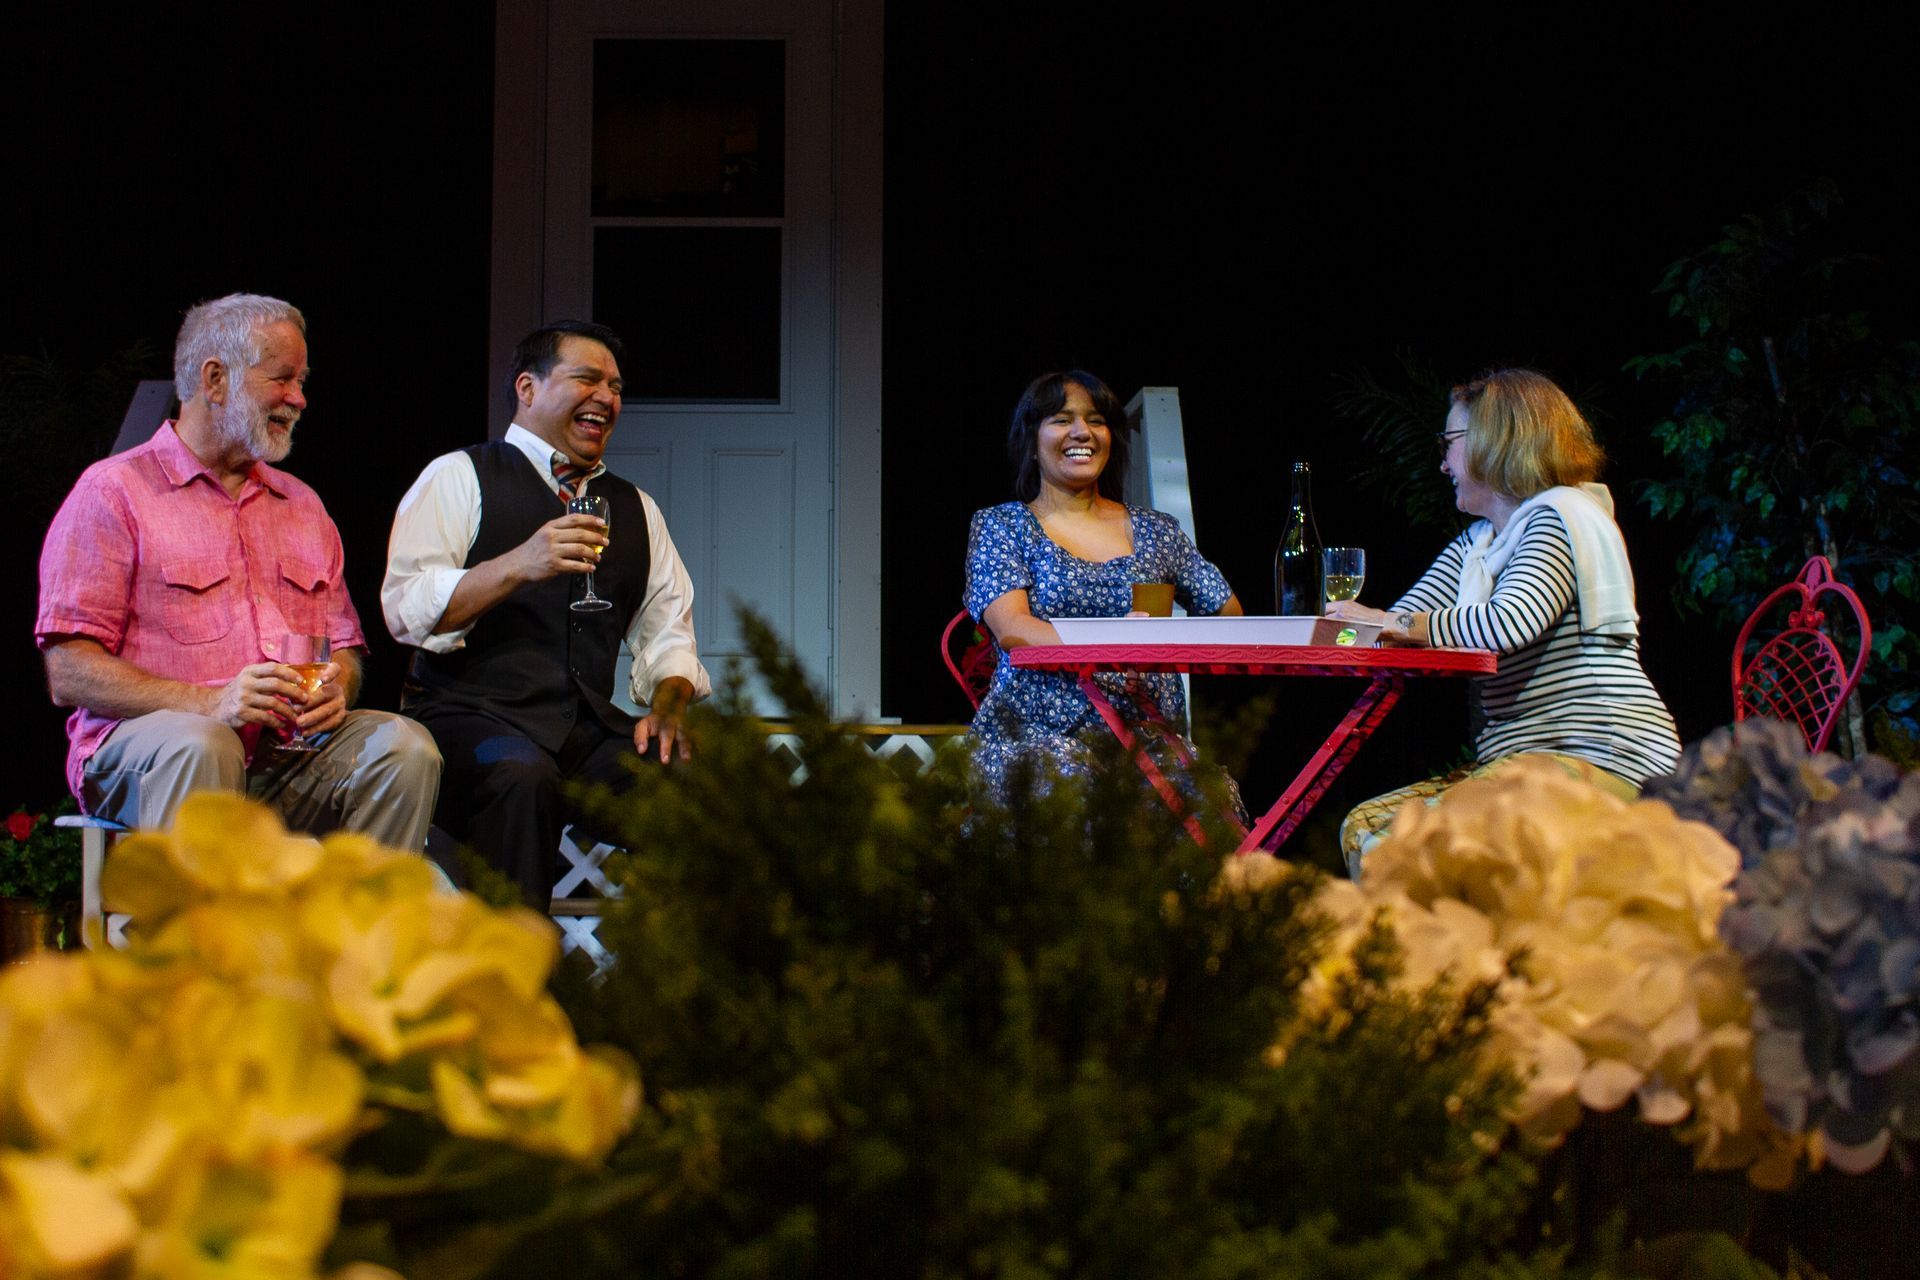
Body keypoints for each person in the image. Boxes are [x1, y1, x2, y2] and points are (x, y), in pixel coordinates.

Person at [35, 292, 442, 848]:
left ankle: (357, 930)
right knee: (207, 743)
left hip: (284, 757)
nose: (298, 399)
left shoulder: (302, 506)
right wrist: (210, 702)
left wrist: (336, 688)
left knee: (404, 747)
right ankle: (208, 935)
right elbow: (70, 672)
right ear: (215, 378)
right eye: (282, 379)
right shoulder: (113, 492)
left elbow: (343, 648)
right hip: (148, 754)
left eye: (302, 382)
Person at [382, 320, 711, 906]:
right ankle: (514, 982)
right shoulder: (459, 476)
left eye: (615, 387)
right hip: (470, 720)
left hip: (578, 731)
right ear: (527, 389)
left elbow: (668, 624)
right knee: (520, 778)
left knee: (682, 786)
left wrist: (667, 705)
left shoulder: (634, 507)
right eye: (587, 379)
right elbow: (406, 610)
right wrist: (519, 563)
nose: (607, 398)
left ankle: (669, 982)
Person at [1325, 367, 1681, 875]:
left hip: (1599, 754)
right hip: (1526, 763)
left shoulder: (1559, 517)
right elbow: (1398, 627)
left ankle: (1469, 953)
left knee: (1397, 847)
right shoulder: (1478, 547)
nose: (1444, 463)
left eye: (1449, 442)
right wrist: (1336, 628)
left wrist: (1392, 623)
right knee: (1365, 828)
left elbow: (1506, 624)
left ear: (1496, 440)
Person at [964, 369, 1244, 805]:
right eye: (1061, 418)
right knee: (1073, 789)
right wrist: (1112, 646)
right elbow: (1014, 631)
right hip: (1036, 737)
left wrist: (1160, 642)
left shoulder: (1157, 530)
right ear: (1032, 441)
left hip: (1147, 739)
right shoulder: (1002, 526)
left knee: (1209, 801)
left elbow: (1229, 617)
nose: (1082, 431)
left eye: (1096, 420)